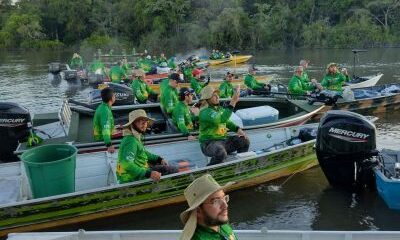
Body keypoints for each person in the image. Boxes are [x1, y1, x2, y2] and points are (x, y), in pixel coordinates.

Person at [117, 109, 178, 183]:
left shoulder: (135, 136)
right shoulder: (131, 141)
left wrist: (159, 159)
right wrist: (148, 173)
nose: (144, 123)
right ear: (132, 124)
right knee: (173, 170)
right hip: (131, 178)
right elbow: (127, 164)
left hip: (139, 170)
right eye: (139, 121)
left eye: (145, 121)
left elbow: (143, 152)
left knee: (159, 164)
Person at [198, 85, 249, 166]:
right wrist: (233, 102)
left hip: (223, 141)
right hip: (208, 144)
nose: (217, 97)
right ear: (207, 99)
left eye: (217, 95)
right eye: (214, 95)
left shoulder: (219, 109)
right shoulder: (205, 112)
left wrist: (238, 130)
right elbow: (220, 120)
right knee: (220, 151)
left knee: (244, 141)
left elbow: (227, 122)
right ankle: (209, 171)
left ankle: (240, 166)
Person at [179, 174, 237, 240]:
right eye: (216, 201)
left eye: (224, 198)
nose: (225, 205)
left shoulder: (221, 224)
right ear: (198, 211)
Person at [93, 87, 116, 153]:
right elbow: (105, 129)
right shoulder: (105, 111)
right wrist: (109, 145)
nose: (115, 97)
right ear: (111, 98)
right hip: (101, 137)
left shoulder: (103, 106)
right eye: (114, 95)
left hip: (102, 134)